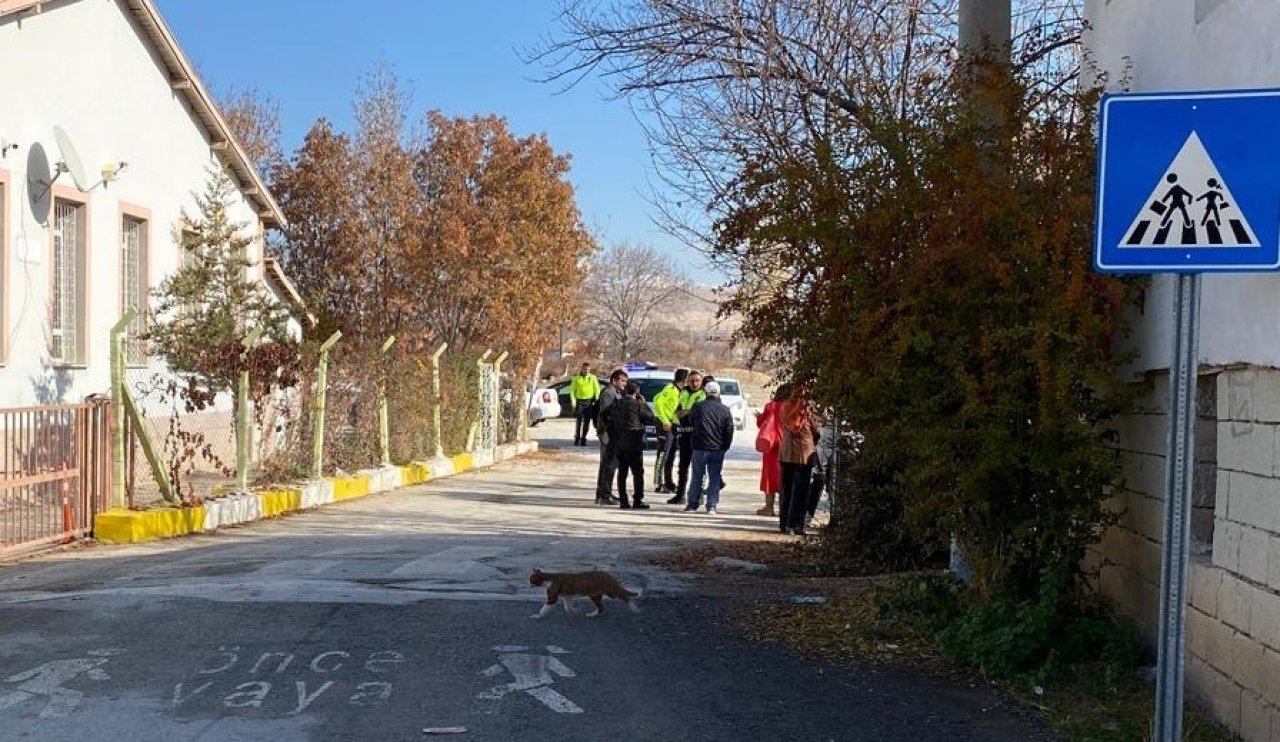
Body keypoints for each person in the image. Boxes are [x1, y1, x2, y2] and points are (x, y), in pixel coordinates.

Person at [603, 382, 660, 510]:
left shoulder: (616, 404)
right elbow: (651, 418)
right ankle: (637, 500)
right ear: (637, 392)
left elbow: (604, 415)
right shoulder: (637, 405)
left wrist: (612, 428)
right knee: (637, 473)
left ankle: (623, 501)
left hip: (619, 442)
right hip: (634, 443)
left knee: (622, 472)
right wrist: (643, 403)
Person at [684, 381, 734, 514]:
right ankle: (711, 505)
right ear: (718, 393)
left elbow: (691, 421)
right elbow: (729, 430)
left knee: (697, 476)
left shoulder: (698, 407)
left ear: (705, 392)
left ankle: (692, 504)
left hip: (699, 446)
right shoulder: (725, 410)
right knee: (715, 477)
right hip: (717, 448)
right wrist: (725, 446)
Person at [778, 386, 821, 535]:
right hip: (803, 453)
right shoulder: (809, 410)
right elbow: (816, 430)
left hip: (786, 453)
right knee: (801, 492)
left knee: (786, 489)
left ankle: (784, 524)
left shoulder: (784, 407)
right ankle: (796, 524)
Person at [753, 383, 790, 517]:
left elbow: (761, 424)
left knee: (769, 476)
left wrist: (758, 417)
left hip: (770, 446)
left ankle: (769, 507)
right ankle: (783, 509)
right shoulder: (791, 408)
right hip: (786, 444)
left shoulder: (770, 406)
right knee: (784, 476)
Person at [669, 371, 705, 505]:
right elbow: (676, 411)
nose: (694, 383)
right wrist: (681, 414)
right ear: (688, 381)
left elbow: (700, 412)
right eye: (692, 381)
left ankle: (699, 495)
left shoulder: (703, 394)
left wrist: (688, 412)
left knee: (699, 467)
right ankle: (680, 494)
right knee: (683, 466)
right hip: (684, 433)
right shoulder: (682, 392)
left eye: (697, 381)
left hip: (698, 435)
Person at [594, 368, 628, 505]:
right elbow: (608, 414)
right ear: (614, 380)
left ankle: (603, 492)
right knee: (609, 464)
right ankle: (604, 495)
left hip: (613, 432)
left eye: (626, 381)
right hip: (608, 433)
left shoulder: (617, 393)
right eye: (623, 381)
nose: (625, 384)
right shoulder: (608, 393)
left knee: (608, 464)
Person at [652, 369, 686, 494]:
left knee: (670, 456)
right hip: (665, 426)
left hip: (674, 426)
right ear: (684, 379)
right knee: (662, 454)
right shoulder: (670, 388)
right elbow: (657, 401)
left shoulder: (679, 391)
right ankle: (658, 483)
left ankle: (668, 481)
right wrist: (664, 420)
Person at [568, 362, 600, 446]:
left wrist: (596, 399)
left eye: (588, 369)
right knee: (579, 421)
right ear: (581, 369)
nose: (586, 371)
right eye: (585, 369)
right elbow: (572, 390)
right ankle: (577, 437)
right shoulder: (576, 378)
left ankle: (583, 438)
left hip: (589, 401)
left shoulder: (592, 378)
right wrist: (573, 401)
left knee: (587, 421)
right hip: (579, 401)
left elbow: (597, 389)